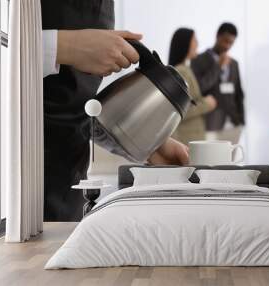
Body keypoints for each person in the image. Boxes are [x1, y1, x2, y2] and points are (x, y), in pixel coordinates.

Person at [41, 0, 189, 222]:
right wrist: (62, 46)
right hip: (11, 179)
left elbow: (72, 102)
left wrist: (146, 143)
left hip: (68, 182)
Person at [191, 22, 245, 143]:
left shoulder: (234, 63)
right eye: (225, 41)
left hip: (233, 123)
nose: (228, 46)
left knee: (232, 161)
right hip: (210, 124)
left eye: (231, 43)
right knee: (211, 161)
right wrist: (218, 67)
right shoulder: (198, 60)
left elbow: (239, 94)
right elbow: (199, 89)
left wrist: (241, 121)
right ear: (217, 36)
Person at [168, 28, 217, 145]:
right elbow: (178, 111)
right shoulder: (180, 72)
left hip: (191, 139)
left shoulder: (185, 69)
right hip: (186, 140)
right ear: (185, 44)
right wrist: (207, 104)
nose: (197, 44)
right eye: (194, 40)